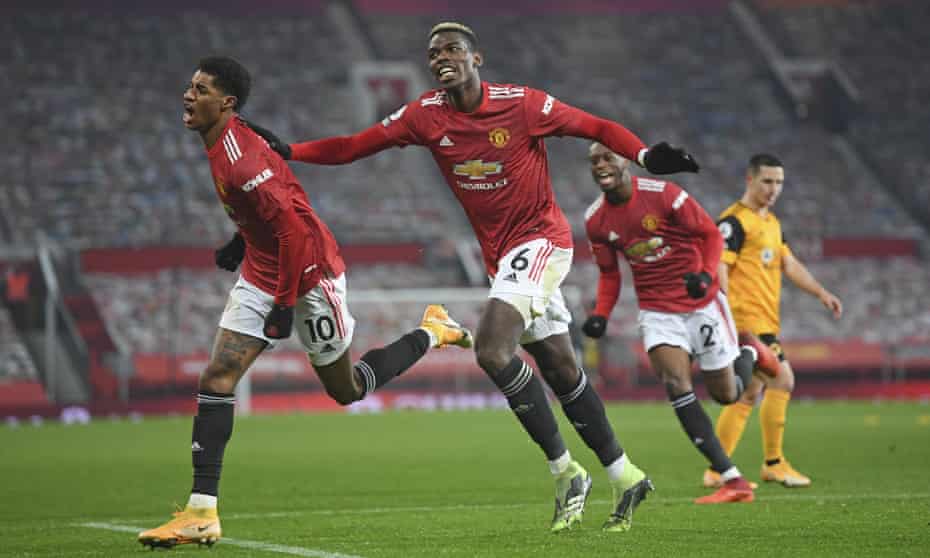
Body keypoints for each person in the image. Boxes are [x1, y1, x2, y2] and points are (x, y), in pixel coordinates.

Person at [249, 22, 700, 532]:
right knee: (559, 369)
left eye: (453, 49)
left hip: (542, 242)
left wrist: (644, 156)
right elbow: (356, 145)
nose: (442, 57)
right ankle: (625, 474)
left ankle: (566, 471)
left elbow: (595, 126)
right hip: (503, 260)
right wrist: (292, 151)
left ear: (476, 58)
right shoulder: (424, 115)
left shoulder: (523, 104)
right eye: (434, 52)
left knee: (490, 350)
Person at [137, 56, 472, 550]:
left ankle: (433, 330)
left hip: (311, 275)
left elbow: (294, 233)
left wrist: (283, 306)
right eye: (190, 85)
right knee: (217, 378)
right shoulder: (226, 136)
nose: (189, 95)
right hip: (262, 267)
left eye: (201, 89)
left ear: (226, 104)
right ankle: (201, 513)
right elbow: (271, 210)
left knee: (347, 390)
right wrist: (242, 239)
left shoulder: (241, 160)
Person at [580, 142, 781, 504]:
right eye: (593, 161)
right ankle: (732, 479)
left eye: (607, 157)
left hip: (701, 304)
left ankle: (749, 350)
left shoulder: (665, 194)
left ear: (625, 160)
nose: (600, 165)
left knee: (727, 394)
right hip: (658, 312)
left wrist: (705, 276)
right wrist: (600, 315)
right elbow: (610, 275)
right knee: (676, 384)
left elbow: (709, 235)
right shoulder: (596, 220)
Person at [704, 154, 843, 489]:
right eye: (767, 181)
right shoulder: (734, 222)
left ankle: (716, 470)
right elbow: (719, 265)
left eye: (779, 182)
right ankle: (774, 463)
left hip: (765, 322)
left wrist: (821, 293)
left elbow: (789, 264)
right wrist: (725, 314)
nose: (774, 189)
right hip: (746, 323)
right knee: (783, 380)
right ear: (749, 180)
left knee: (749, 394)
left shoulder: (771, 223)